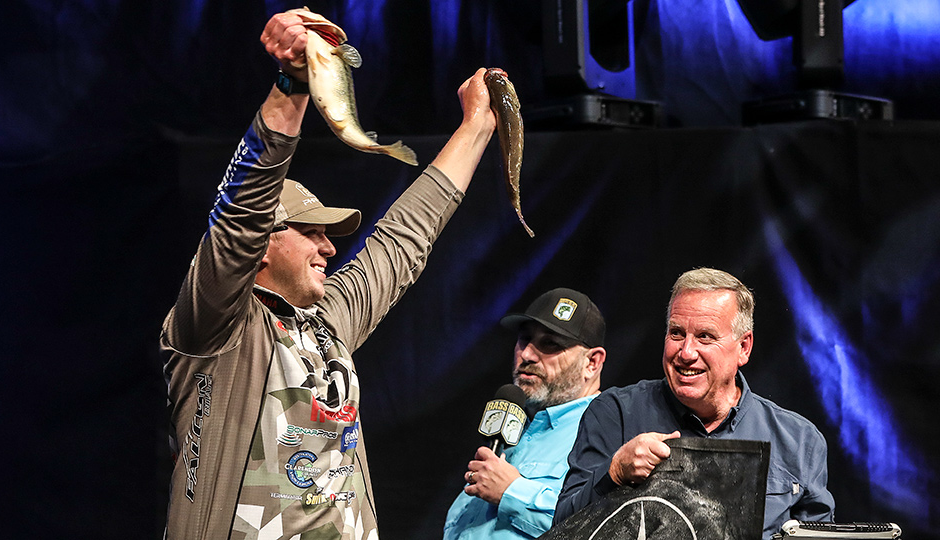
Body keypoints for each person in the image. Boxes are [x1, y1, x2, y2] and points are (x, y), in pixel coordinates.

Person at [159, 10, 499, 540]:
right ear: (261, 246)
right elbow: (240, 212)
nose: (328, 247)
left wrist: (476, 127)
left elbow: (404, 238)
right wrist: (294, 86)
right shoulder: (216, 328)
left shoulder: (325, 320)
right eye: (310, 232)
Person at [553, 268, 835, 540]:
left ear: (743, 347)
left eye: (705, 337)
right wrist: (615, 473)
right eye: (677, 333)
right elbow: (562, 529)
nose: (686, 352)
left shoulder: (799, 440)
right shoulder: (615, 413)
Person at [443, 288, 608, 539]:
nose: (527, 355)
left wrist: (512, 492)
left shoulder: (607, 431)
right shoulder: (512, 430)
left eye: (550, 343)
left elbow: (601, 526)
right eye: (524, 339)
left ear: (592, 363)